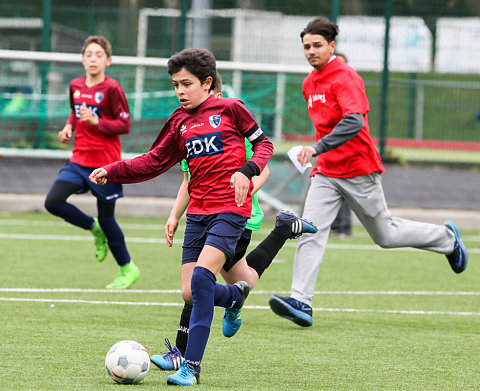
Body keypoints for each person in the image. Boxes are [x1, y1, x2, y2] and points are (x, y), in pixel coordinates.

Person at [89, 48, 276, 386]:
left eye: (186, 84)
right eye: (175, 84)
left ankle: (191, 367)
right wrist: (112, 170)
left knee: (203, 279)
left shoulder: (231, 109)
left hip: (230, 210)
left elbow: (265, 145)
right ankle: (235, 296)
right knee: (191, 292)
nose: (179, 91)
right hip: (199, 214)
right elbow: (152, 161)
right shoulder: (179, 121)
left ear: (207, 83)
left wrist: (247, 171)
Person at [268, 17, 468, 328]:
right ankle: (301, 302)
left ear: (332, 46)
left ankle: (446, 239)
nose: (311, 51)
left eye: (317, 45)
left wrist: (316, 148)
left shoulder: (345, 77)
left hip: (359, 170)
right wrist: (318, 157)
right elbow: (325, 126)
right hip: (327, 173)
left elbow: (354, 122)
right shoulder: (309, 83)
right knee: (309, 230)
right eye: (306, 46)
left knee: (385, 235)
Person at [149, 75, 317, 373]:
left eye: (189, 86)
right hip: (206, 215)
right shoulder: (191, 131)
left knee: (201, 280)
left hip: (235, 216)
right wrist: (175, 215)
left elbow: (261, 164)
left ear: (213, 90)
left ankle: (181, 352)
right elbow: (189, 179)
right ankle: (281, 232)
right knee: (242, 279)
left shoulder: (230, 126)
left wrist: (247, 185)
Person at [44, 35, 139, 289]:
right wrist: (68, 127)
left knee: (109, 220)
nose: (93, 59)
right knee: (52, 202)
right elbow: (75, 113)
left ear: (108, 60)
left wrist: (98, 122)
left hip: (105, 165)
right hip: (79, 159)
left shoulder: (112, 89)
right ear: (82, 59)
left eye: (98, 55)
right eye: (88, 54)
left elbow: (125, 124)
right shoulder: (75, 85)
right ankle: (92, 228)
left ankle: (128, 269)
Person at [329, 52, 352, 239]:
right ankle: (335, 226)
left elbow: (354, 122)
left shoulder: (350, 88)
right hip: (329, 151)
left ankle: (344, 227)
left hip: (348, 152)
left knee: (345, 191)